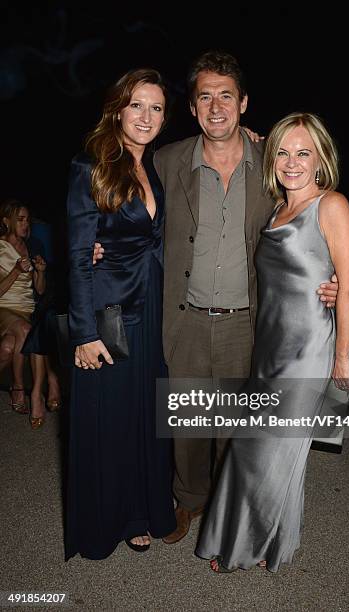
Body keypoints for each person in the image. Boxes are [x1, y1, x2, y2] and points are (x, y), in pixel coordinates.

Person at [153, 51, 339, 544]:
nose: (216, 107)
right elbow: (134, 218)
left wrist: (334, 275)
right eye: (205, 97)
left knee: (235, 424)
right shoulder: (166, 161)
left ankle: (224, 505)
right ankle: (188, 501)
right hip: (186, 315)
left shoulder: (271, 167)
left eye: (226, 96)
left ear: (244, 103)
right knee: (188, 420)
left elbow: (311, 216)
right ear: (192, 107)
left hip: (248, 319)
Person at [195, 111, 349, 572]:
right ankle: (274, 541)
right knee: (272, 445)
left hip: (307, 348)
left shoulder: (331, 206)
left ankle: (242, 545)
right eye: (284, 152)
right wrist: (262, 137)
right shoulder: (276, 207)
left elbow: (348, 286)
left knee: (260, 446)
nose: (292, 162)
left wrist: (342, 358)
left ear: (321, 159)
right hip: (269, 343)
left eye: (304, 153)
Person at [65, 68, 176, 560]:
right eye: (137, 105)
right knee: (107, 420)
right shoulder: (90, 166)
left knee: (142, 415)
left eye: (156, 107)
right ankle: (103, 521)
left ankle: (139, 512)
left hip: (150, 306)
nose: (146, 116)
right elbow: (75, 254)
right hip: (108, 311)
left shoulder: (151, 166)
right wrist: (83, 332)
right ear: (117, 108)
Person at [0, 199, 61, 429]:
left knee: (9, 346)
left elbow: (40, 290)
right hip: (4, 308)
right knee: (28, 331)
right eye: (20, 219)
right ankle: (28, 390)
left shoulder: (34, 245)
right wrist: (16, 270)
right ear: (7, 221)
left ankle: (21, 389)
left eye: (28, 220)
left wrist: (41, 272)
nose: (26, 224)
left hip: (27, 309)